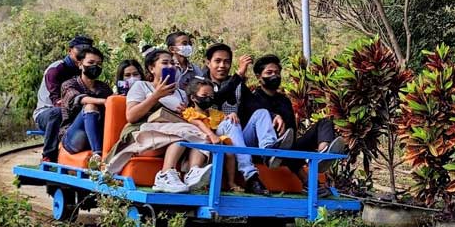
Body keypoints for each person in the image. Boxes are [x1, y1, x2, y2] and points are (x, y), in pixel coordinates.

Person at [221, 54, 343, 195]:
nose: (274, 76)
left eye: (277, 73)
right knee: (264, 117)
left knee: (325, 122)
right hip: (258, 148)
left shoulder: (284, 101)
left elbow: (291, 131)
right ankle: (310, 184)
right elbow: (225, 93)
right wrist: (241, 71)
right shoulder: (250, 96)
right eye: (269, 73)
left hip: (284, 146)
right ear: (259, 77)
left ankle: (323, 155)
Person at [105, 48, 213, 193]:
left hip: (171, 133)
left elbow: (189, 120)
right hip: (140, 133)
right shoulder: (141, 86)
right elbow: (131, 117)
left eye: (173, 63)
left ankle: (193, 172)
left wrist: (185, 114)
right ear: (151, 68)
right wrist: (156, 96)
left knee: (187, 133)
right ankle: (165, 174)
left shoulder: (181, 93)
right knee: (182, 134)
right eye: (165, 63)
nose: (170, 66)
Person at [34, 35, 93, 163]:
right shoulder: (56, 69)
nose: (83, 52)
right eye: (80, 49)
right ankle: (49, 156)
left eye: (87, 49)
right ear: (70, 50)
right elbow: (56, 101)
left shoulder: (85, 69)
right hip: (47, 113)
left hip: (73, 110)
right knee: (58, 112)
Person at [59, 47, 113, 168]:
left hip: (99, 135)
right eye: (91, 63)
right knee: (90, 106)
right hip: (73, 138)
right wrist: (103, 101)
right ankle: (97, 156)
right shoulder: (69, 84)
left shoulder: (104, 88)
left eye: (99, 64)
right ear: (80, 64)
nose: (95, 66)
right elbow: (77, 99)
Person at [202, 43, 251, 119]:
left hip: (236, 127)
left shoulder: (238, 84)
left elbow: (254, 104)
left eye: (227, 62)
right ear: (208, 63)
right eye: (217, 61)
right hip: (206, 128)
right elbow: (216, 98)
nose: (222, 65)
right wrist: (239, 74)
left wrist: (274, 116)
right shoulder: (200, 83)